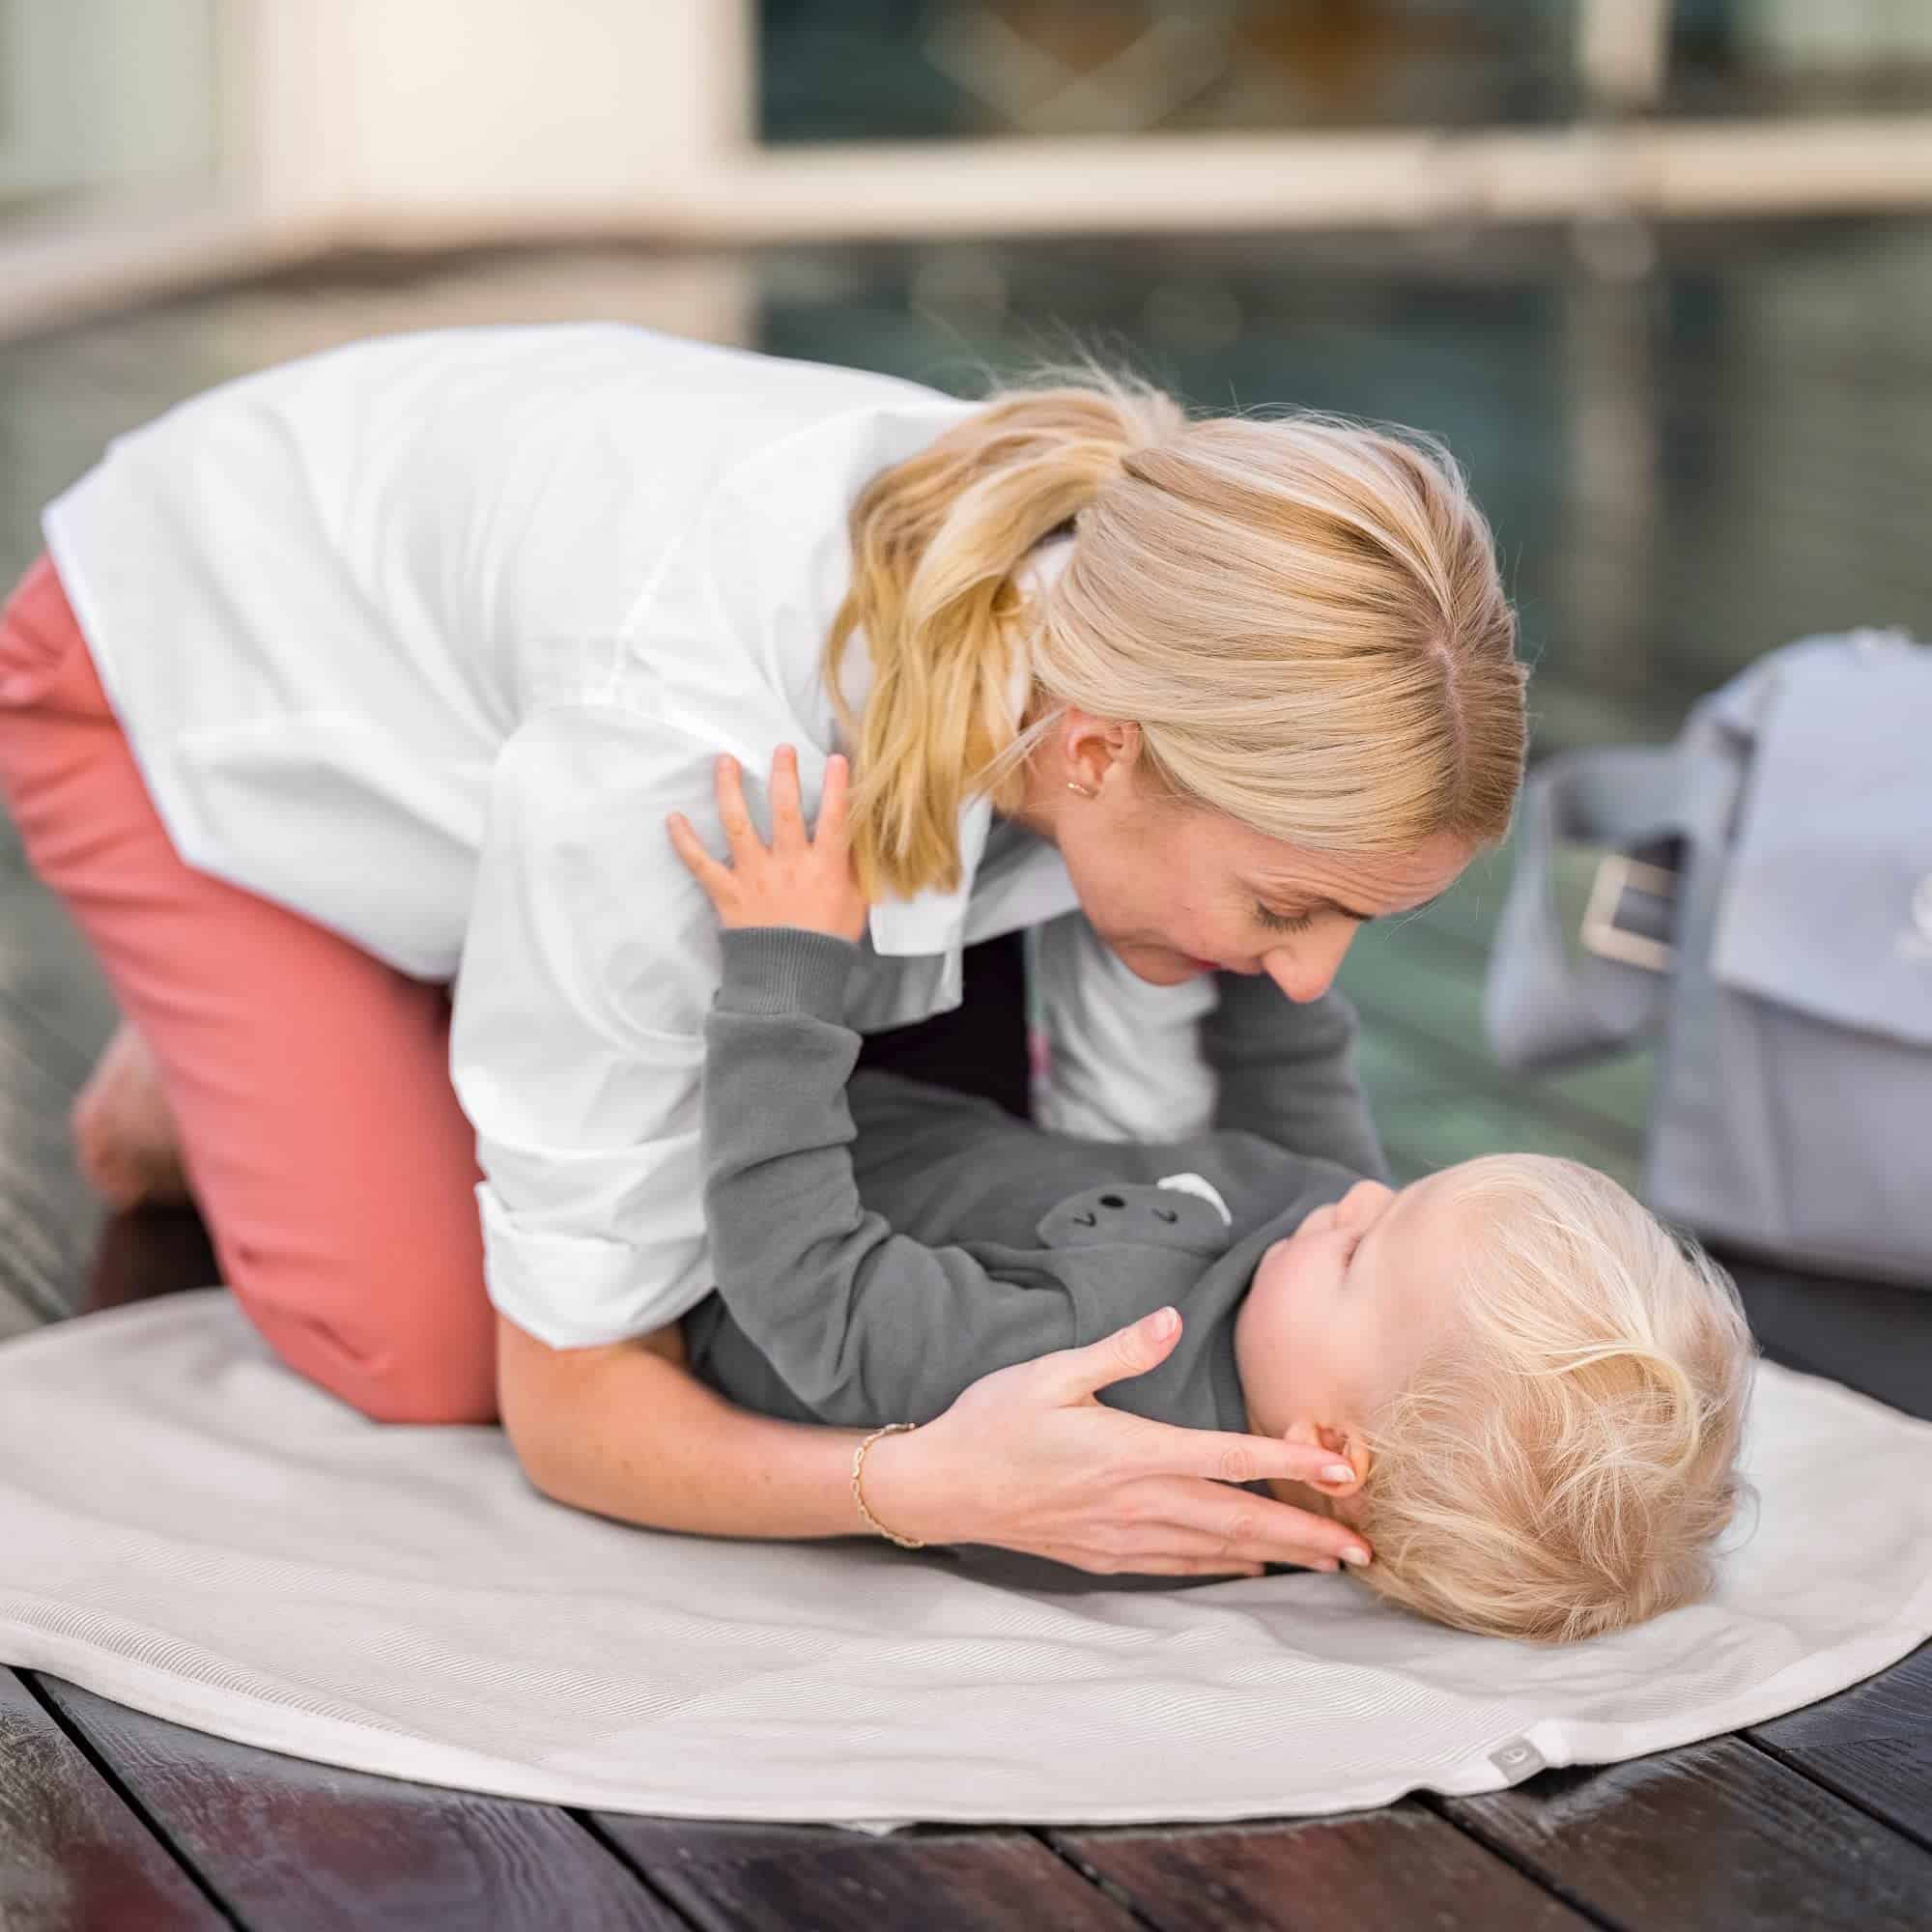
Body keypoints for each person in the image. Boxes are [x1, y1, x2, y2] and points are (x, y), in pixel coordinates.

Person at [0, 322, 1525, 1579]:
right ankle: (252, 993)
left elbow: (1141, 1119)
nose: (1315, 983)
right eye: (1282, 909)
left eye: (1355, 922)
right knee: (435, 1354)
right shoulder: (691, 750)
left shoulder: (1108, 654)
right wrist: (934, 1486)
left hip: (543, 757)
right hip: (170, 684)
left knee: (867, 1116)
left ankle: (435, 1002)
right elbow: (571, 1418)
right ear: (1099, 754)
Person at [666, 743, 1759, 1641]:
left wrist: (785, 981)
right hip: (910, 1122)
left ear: (1329, 1450)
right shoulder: (1330, 1302)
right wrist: (1277, 901)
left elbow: (809, 1283)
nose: (1352, 1199)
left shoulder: (1100, 1379)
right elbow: (1294, 1080)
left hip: (733, 1191)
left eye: (1357, 1254)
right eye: (1403, 1193)